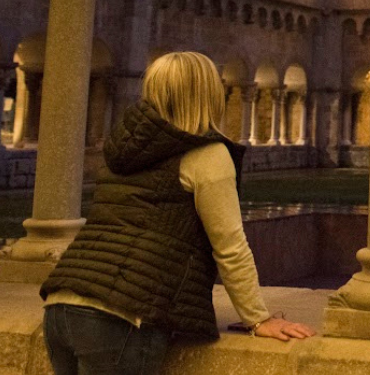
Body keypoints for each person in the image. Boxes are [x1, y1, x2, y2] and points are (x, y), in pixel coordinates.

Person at [40, 51, 314, 375]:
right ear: (209, 94)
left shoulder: (121, 151)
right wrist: (258, 317)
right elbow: (229, 245)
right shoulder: (206, 154)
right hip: (120, 318)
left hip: (62, 304)